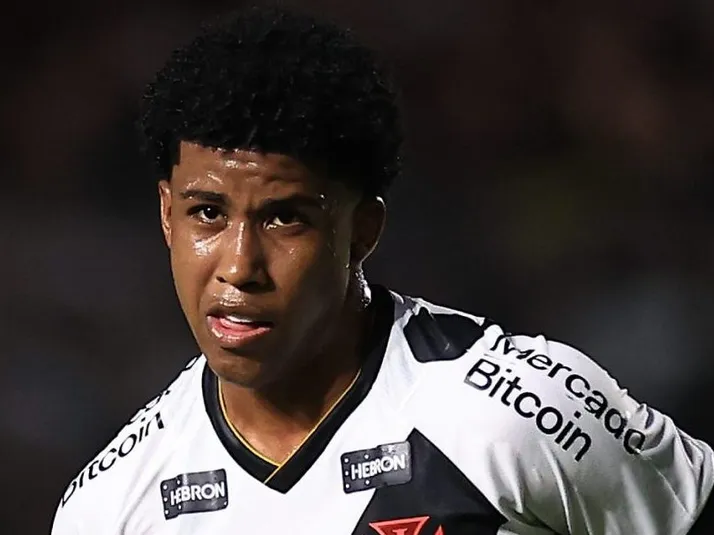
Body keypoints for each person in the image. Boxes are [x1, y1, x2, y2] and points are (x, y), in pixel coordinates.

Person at [50, 6, 712, 534]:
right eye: (207, 214)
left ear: (363, 230)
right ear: (167, 215)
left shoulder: (518, 416)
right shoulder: (112, 504)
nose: (240, 266)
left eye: (285, 218)